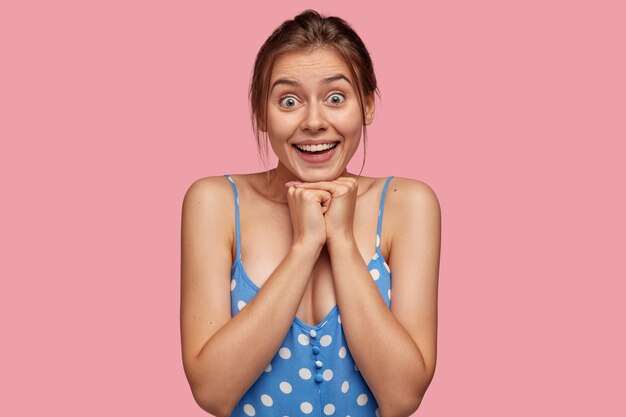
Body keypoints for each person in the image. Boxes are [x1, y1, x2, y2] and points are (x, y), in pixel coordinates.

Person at [180, 9, 440, 417]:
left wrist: (341, 241)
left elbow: (403, 397)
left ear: (367, 105)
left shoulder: (408, 205)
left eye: (336, 98)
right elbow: (213, 392)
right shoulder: (213, 202)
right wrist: (305, 245)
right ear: (262, 113)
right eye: (289, 101)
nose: (315, 122)